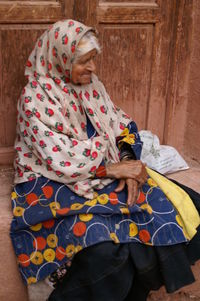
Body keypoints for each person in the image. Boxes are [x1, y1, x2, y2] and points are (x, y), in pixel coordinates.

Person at [10, 19, 200, 301]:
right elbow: (57, 159)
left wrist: (124, 159)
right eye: (84, 61)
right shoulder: (34, 98)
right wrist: (113, 168)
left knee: (185, 205)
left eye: (94, 60)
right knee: (108, 249)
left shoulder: (91, 86)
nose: (93, 69)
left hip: (102, 174)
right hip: (51, 182)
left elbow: (121, 124)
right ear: (60, 58)